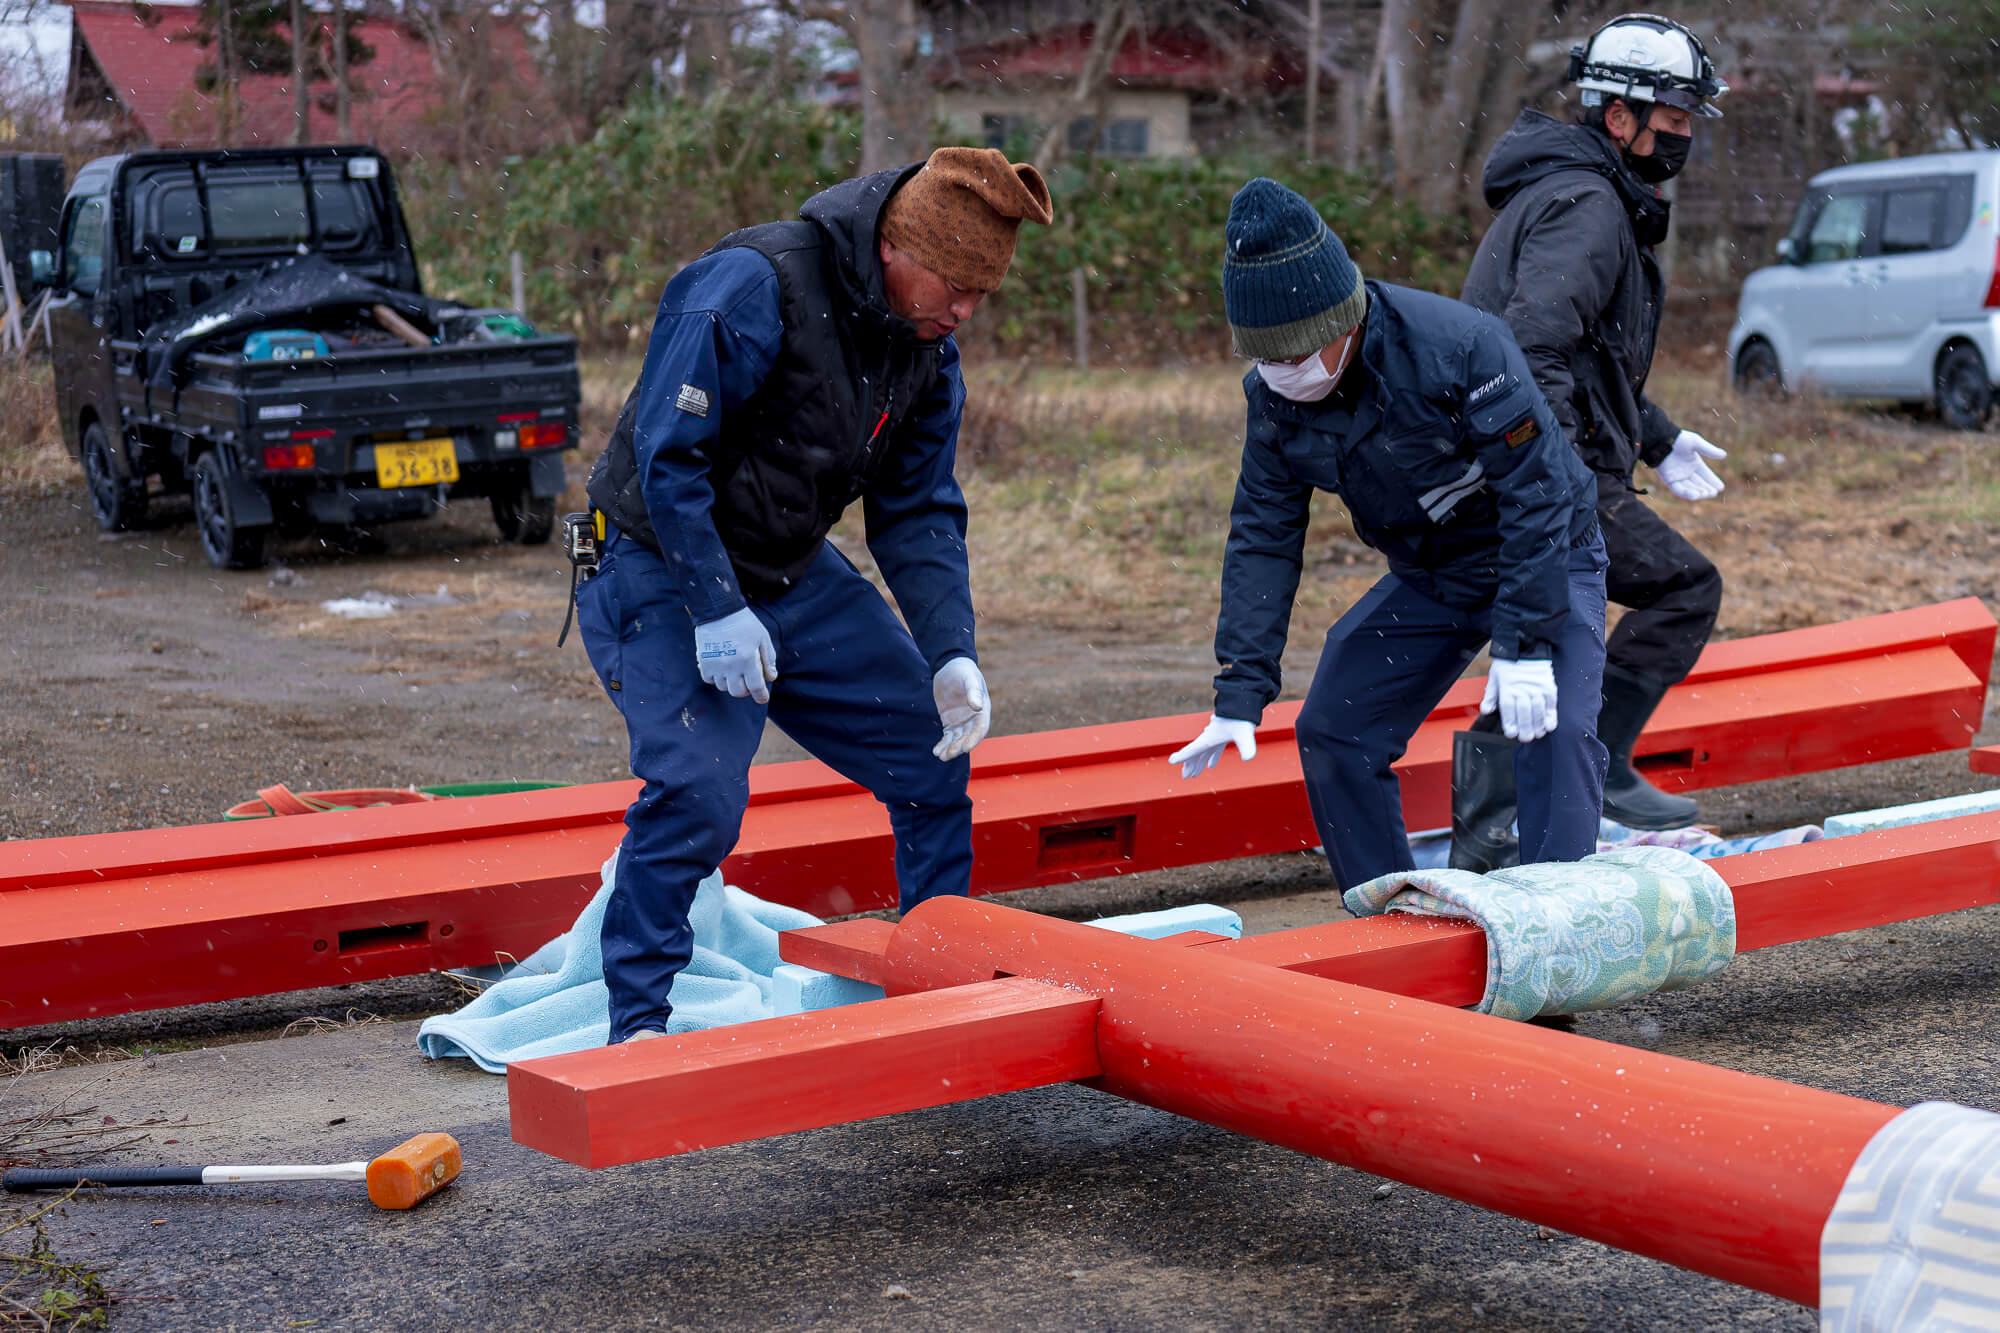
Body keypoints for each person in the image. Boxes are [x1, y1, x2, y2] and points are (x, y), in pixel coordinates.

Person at [578, 147, 1053, 1043]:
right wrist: (716, 608)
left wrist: (951, 650)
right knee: (697, 794)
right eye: (953, 284)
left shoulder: (926, 352)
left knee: (932, 755)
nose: (963, 311)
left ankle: (936, 987)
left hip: (788, 565)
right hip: (657, 561)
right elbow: (665, 457)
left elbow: (917, 512)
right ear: (896, 250)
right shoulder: (754, 285)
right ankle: (637, 1023)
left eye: (981, 296)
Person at [1167, 177, 1607, 892]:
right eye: (1265, 361)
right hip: (1433, 573)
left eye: (1296, 355)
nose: (1283, 376)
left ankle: (1557, 932)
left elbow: (1539, 491)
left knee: (1551, 733)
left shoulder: (1461, 349)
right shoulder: (1275, 402)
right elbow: (1263, 535)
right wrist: (1240, 690)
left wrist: (1524, 642)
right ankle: (1387, 916)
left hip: (1546, 553)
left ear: (1344, 321)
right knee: (1335, 728)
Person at [1455, 12, 1730, 867]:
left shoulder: (1589, 192)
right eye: (1675, 122)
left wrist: (1656, 437)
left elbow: (1590, 352)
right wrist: (1565, 479)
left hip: (1522, 453)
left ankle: (1490, 830)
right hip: (1538, 461)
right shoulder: (1588, 205)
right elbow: (1534, 347)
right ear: (1620, 118)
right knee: (1685, 587)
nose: (1683, 140)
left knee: (1544, 633)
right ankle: (1593, 771)